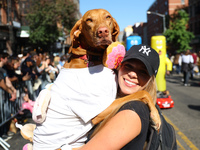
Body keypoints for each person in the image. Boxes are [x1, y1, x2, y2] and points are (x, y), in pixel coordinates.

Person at [80, 44, 160, 150]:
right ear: (119, 66)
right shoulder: (109, 94)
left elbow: (95, 118)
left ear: (150, 81)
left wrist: (143, 95)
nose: (132, 74)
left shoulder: (134, 110)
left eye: (143, 72)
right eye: (128, 66)